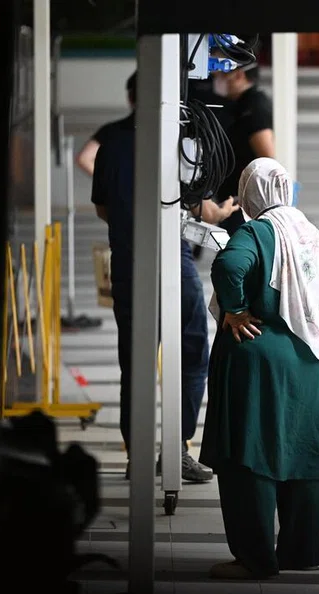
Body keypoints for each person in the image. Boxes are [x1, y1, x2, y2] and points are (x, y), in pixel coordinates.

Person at [199, 158, 319, 580]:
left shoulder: (258, 230)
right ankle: (302, 550)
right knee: (299, 451)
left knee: (251, 453)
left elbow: (227, 266)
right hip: (306, 358)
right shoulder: (306, 231)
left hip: (258, 357)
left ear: (252, 193)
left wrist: (237, 310)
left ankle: (255, 557)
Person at [90, 99, 225, 484]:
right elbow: (195, 202)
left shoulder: (111, 144)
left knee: (135, 358)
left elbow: (102, 207)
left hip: (128, 261)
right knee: (194, 349)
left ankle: (138, 454)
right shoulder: (177, 141)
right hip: (172, 258)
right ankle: (177, 449)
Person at [190, 59, 275, 258]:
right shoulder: (238, 105)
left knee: (238, 260)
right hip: (233, 200)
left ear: (238, 75)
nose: (216, 79)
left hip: (244, 205)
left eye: (220, 73)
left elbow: (268, 158)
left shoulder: (253, 106)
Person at [76, 72, 137, 177]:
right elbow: (83, 158)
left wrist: (109, 181)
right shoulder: (167, 131)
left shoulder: (112, 131)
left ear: (130, 98)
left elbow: (84, 158)